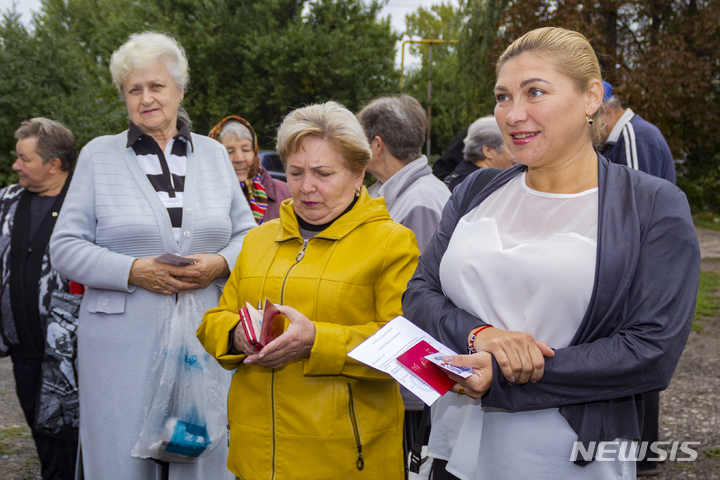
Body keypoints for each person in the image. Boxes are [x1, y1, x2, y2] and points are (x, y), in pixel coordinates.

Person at [402, 27, 700, 480]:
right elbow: (420, 293)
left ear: (590, 97)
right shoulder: (475, 189)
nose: (514, 114)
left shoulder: (652, 205)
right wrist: (480, 335)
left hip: (567, 456)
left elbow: (651, 349)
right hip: (452, 442)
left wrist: (502, 373)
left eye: (535, 92)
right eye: (503, 97)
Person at [49, 32, 256, 480]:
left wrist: (219, 265)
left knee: (203, 450)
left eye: (156, 86)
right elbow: (64, 247)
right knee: (121, 459)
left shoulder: (216, 154)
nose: (146, 99)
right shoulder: (98, 156)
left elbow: (248, 236)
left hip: (202, 336)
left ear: (179, 90)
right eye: (133, 89)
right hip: (119, 342)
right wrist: (133, 270)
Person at [197, 101, 420, 480]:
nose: (306, 187)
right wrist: (235, 336)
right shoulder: (258, 239)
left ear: (358, 174)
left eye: (323, 173)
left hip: (343, 461)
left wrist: (317, 341)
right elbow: (214, 319)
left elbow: (406, 349)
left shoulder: (392, 243)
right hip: (255, 458)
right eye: (296, 172)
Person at [600, 80, 676, 476]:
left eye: (593, 118)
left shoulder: (629, 136)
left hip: (641, 271)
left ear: (607, 110)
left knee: (637, 354)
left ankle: (642, 453)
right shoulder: (632, 133)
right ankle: (640, 450)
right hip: (645, 268)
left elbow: (631, 210)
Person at [0, 118, 78, 480]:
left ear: (53, 165)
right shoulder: (7, 201)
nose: (16, 165)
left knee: (74, 437)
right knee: (40, 432)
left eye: (23, 159)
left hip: (72, 354)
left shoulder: (83, 205)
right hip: (23, 348)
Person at [358, 94, 450, 253]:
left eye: (360, 140)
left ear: (377, 145)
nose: (355, 148)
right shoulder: (408, 192)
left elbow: (420, 274)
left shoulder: (421, 203)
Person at [208, 115, 290, 223]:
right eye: (230, 151)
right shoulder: (203, 196)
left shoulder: (286, 193)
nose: (240, 158)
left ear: (255, 152)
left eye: (246, 150)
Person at [599, 81, 675, 184]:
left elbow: (636, 196)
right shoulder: (629, 135)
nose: (589, 128)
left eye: (590, 120)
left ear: (607, 111)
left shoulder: (633, 137)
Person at [444, 115, 516, 191]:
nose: (517, 154)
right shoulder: (481, 187)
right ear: (488, 151)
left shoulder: (462, 177)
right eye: (510, 147)